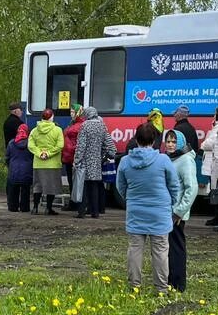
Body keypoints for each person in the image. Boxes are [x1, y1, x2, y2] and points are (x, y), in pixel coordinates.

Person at [116, 123, 180, 293]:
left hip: (136, 211)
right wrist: (171, 203)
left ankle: (134, 286)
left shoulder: (125, 161)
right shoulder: (163, 160)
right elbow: (174, 186)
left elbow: (121, 187)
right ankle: (161, 288)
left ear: (136, 139)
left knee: (135, 249)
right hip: (160, 213)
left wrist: (131, 199)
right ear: (154, 140)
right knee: (160, 251)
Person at [164, 129, 198, 291]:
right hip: (167, 212)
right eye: (168, 141)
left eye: (173, 141)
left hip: (176, 215)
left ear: (181, 142)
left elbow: (192, 188)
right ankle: (170, 280)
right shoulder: (171, 158)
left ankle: (178, 283)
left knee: (176, 248)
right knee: (168, 248)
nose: (170, 144)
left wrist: (179, 211)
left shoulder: (185, 160)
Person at [73, 106, 116, 218]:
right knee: (95, 187)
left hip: (85, 162)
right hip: (97, 162)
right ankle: (95, 212)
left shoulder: (85, 126)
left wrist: (77, 160)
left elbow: (81, 146)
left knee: (84, 187)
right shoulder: (102, 126)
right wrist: (105, 156)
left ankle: (81, 212)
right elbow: (111, 146)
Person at [28, 109, 65, 214]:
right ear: (52, 117)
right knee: (51, 187)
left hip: (38, 163)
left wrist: (40, 153)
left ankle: (35, 208)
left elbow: (30, 145)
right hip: (52, 164)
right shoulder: (57, 130)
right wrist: (48, 153)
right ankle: (48, 208)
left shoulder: (34, 131)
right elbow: (60, 145)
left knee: (37, 186)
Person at [61, 105, 86, 210]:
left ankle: (75, 203)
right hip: (68, 156)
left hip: (73, 157)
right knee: (72, 182)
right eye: (70, 112)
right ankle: (73, 203)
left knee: (76, 182)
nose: (71, 114)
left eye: (73, 112)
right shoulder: (73, 123)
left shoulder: (80, 125)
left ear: (78, 112)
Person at [4, 124, 33, 212]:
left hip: (14, 170)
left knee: (13, 190)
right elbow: (32, 156)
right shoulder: (30, 143)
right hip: (27, 170)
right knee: (25, 191)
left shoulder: (11, 143)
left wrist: (10, 165)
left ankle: (13, 207)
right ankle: (24, 208)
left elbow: (7, 157)